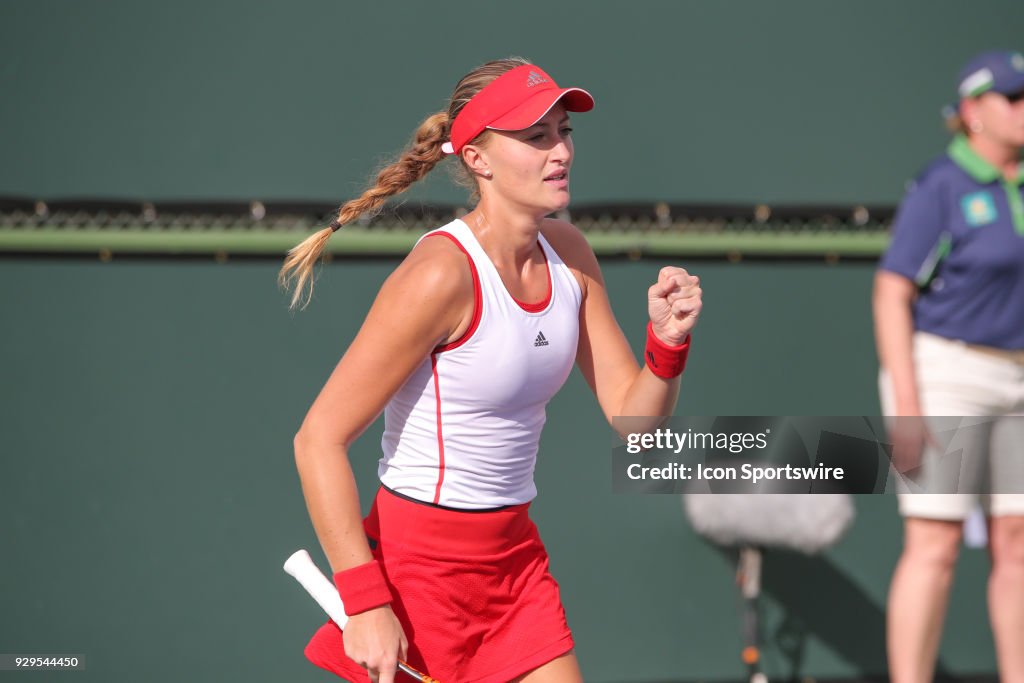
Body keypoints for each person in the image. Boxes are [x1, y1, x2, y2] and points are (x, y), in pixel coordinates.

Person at [280, 58, 702, 683]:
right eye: (536, 138)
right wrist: (367, 602)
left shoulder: (570, 252)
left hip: (514, 568)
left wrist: (665, 345)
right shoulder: (439, 275)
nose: (560, 151)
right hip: (418, 578)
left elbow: (635, 423)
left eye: (564, 132)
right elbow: (318, 440)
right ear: (478, 160)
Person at [873, 49, 1024, 683]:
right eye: (1013, 99)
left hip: (1017, 380)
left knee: (1016, 543)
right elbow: (891, 290)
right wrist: (908, 406)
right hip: (945, 373)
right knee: (934, 545)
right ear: (973, 113)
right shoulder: (943, 185)